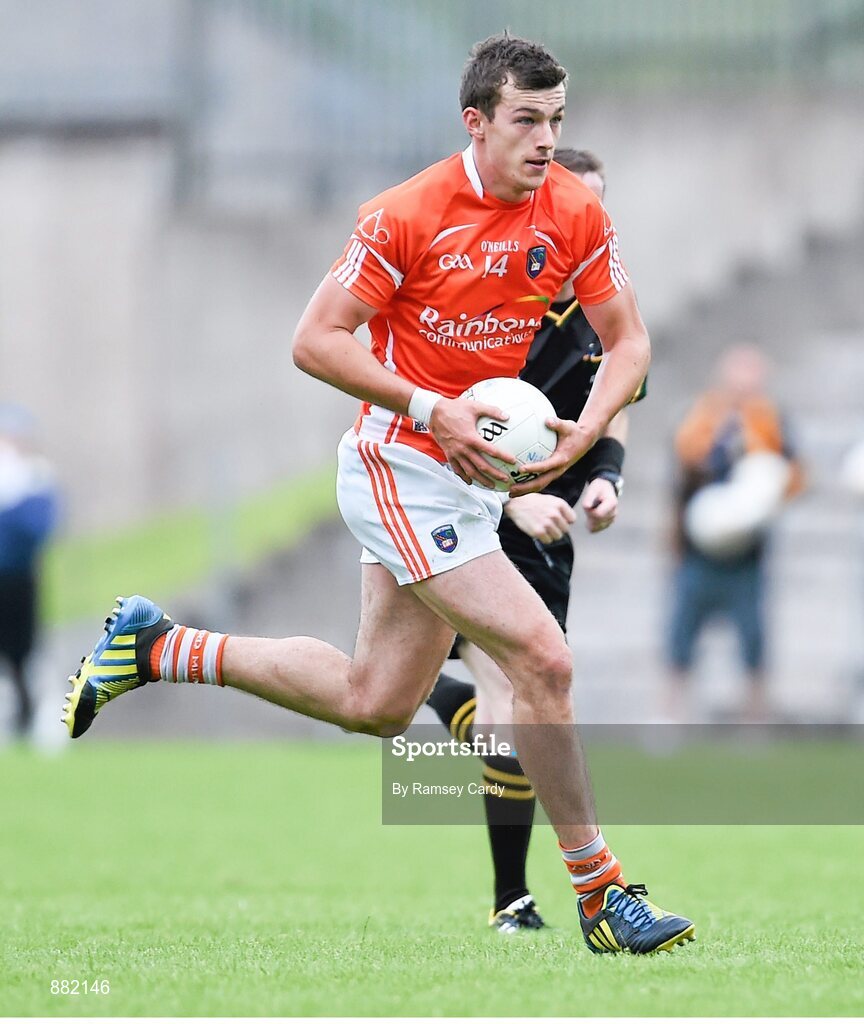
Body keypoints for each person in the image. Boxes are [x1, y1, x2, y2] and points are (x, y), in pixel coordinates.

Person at [62, 33, 693, 954]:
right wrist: (432, 409)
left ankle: (162, 645)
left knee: (378, 702)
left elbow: (628, 340)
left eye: (557, 121)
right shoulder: (406, 214)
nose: (546, 140)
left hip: (471, 480)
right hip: (401, 466)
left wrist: (587, 434)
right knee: (544, 662)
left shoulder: (572, 211)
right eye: (527, 120)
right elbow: (316, 339)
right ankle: (601, 895)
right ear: (475, 122)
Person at [425, 148, 646, 933]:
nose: (589, 223)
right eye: (575, 205)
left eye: (600, 207)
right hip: (466, 510)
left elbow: (617, 400)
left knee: (508, 705)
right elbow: (437, 420)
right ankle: (514, 900)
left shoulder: (602, 307)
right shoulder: (484, 299)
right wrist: (508, 503)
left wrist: (607, 475)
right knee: (510, 701)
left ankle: (512, 898)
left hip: (547, 529)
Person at [664, 344, 805, 722]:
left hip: (748, 552)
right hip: (699, 550)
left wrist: (767, 484)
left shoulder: (771, 422)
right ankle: (672, 716)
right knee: (681, 633)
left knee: (753, 636)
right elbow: (682, 475)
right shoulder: (699, 417)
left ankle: (754, 717)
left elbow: (793, 474)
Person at [0, 404, 59, 738]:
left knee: (23, 655)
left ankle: (28, 721)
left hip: (20, 580)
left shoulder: (35, 478)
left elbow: (39, 528)